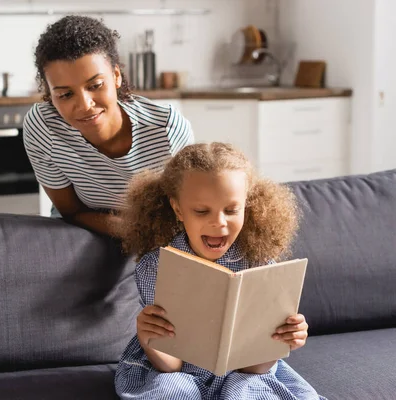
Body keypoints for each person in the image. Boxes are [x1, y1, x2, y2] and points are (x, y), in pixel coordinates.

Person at [114, 142, 325, 399]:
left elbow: (253, 369)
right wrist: (150, 340)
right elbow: (172, 366)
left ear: (246, 207)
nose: (219, 223)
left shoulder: (261, 266)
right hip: (175, 372)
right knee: (173, 390)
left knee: (246, 391)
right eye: (202, 211)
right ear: (178, 209)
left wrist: (279, 342)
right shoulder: (156, 267)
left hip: (245, 373)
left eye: (232, 210)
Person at [23, 15, 194, 237]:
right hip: (83, 231)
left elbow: (185, 212)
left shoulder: (166, 130)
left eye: (95, 85)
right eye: (65, 94)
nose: (85, 105)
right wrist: (129, 230)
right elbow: (71, 211)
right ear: (49, 94)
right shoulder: (44, 127)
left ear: (116, 76)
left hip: (154, 235)